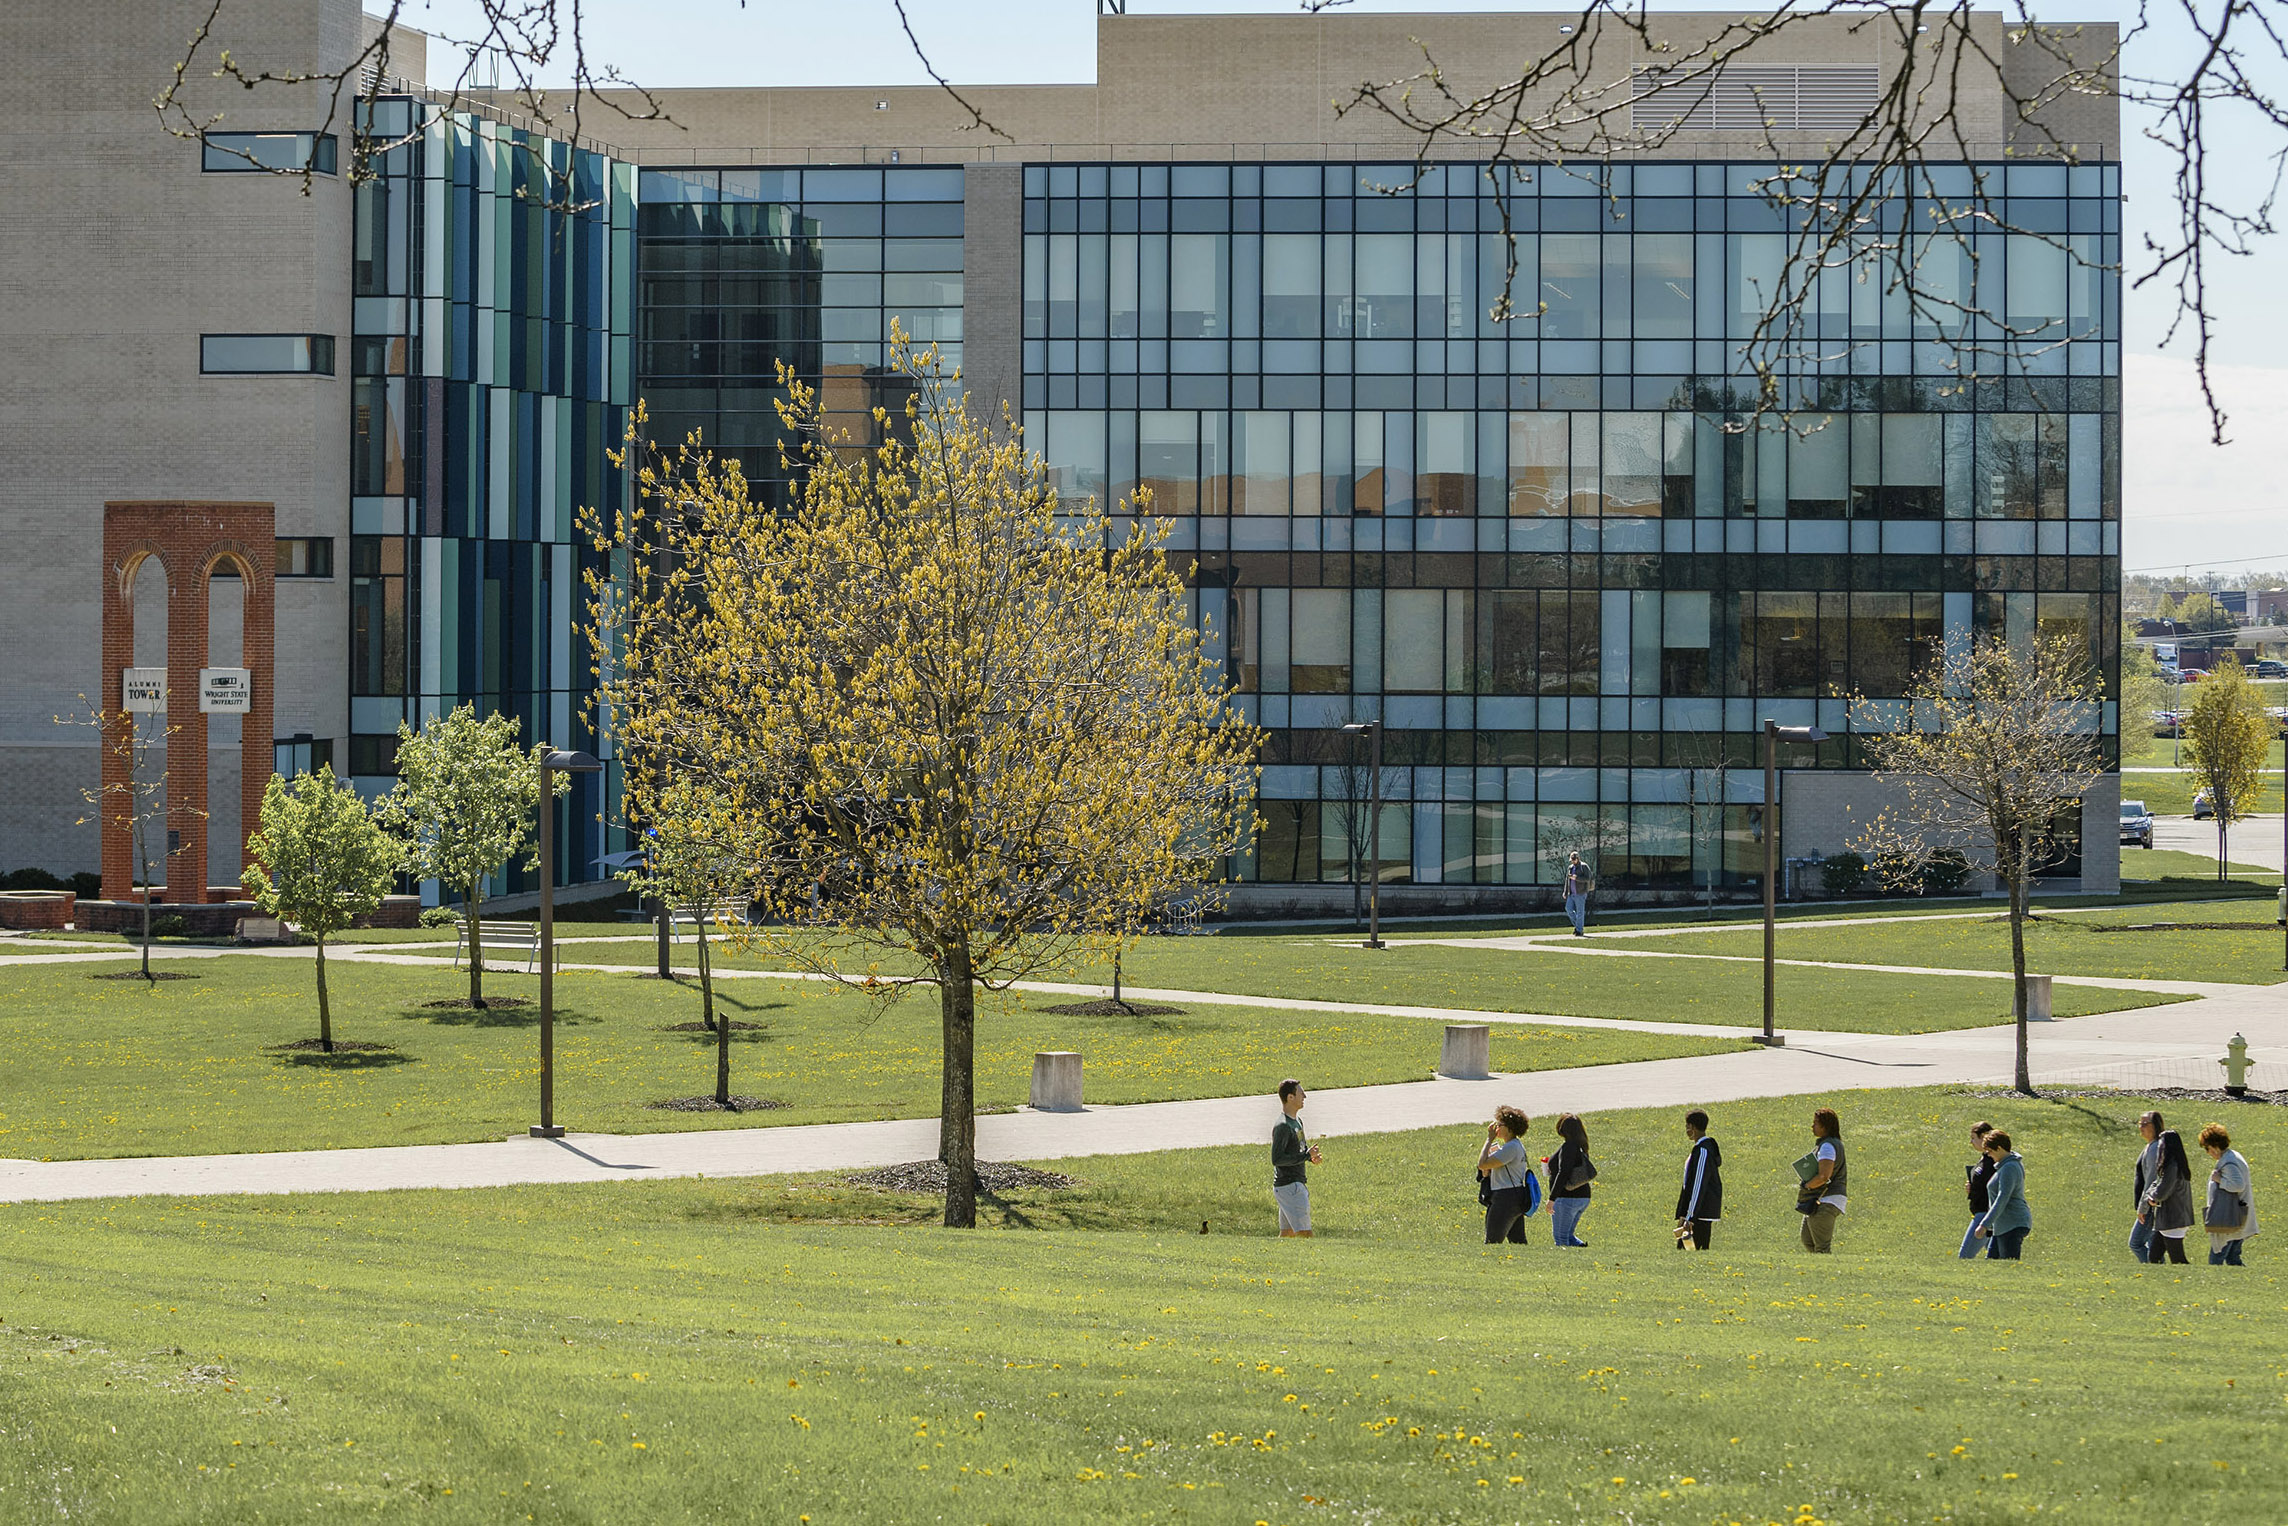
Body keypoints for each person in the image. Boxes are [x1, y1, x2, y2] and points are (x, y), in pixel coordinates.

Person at [2200, 1123, 2258, 1266]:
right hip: (2238, 1217)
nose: (2208, 1152)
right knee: (2233, 1259)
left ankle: (2215, 1280)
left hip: (2229, 1218)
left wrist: (2219, 1179)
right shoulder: (2234, 1156)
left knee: (2216, 1259)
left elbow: (2238, 1185)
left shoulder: (2229, 1162)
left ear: (2215, 1146)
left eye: (2207, 1148)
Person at [1271, 1078, 1322, 1238]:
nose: (1304, 1096)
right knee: (1306, 1234)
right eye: (1301, 1093)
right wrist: (1306, 1156)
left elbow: (1299, 1150)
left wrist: (1310, 1157)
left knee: (1287, 1234)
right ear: (1290, 1097)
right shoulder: (1283, 1126)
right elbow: (1277, 1159)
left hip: (1292, 1186)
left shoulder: (1297, 1122)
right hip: (1290, 1187)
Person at [2138, 1121, 2195, 1265]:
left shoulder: (2172, 1167)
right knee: (2154, 1256)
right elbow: (2156, 1184)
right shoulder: (2175, 1165)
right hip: (2170, 1220)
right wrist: (2151, 1195)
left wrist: (2152, 1198)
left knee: (2178, 1259)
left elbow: (2162, 1190)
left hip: (2173, 1219)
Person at [1477, 1106, 1534, 1245]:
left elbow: (1482, 1164)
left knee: (1492, 1242)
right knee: (1518, 1243)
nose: (1496, 1128)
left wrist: (1489, 1139)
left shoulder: (1511, 1147)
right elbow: (1488, 1167)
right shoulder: (1514, 1145)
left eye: (1499, 1124)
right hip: (1515, 1196)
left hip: (1505, 1199)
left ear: (1509, 1128)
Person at [1970, 1129, 2031, 1259]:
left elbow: (2002, 1198)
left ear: (1999, 1148)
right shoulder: (2004, 1166)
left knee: (2009, 1266)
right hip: (2002, 1226)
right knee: (1993, 1265)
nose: (1989, 1155)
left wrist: (1984, 1224)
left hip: (2012, 1224)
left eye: (1990, 1151)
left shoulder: (2010, 1168)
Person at [1797, 1107, 1848, 1253]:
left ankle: (1826, 1266)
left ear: (1825, 1126)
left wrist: (1808, 1185)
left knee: (1822, 1248)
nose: (1812, 1126)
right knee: (1808, 1240)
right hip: (1820, 1200)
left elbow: (1824, 1176)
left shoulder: (1827, 1147)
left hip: (1826, 1200)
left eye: (1816, 1123)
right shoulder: (1830, 1144)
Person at [1674, 1109, 1723, 1250]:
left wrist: (1689, 1217)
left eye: (1687, 1126)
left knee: (1689, 1251)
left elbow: (1698, 1185)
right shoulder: (1700, 1149)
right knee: (1686, 1252)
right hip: (1694, 1213)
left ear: (1692, 1127)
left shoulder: (1702, 1151)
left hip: (1698, 1216)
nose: (1686, 1130)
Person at [1546, 1113, 1595, 1247]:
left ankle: (1564, 1259)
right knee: (1569, 1236)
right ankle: (1581, 1249)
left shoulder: (1569, 1147)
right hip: (1583, 1197)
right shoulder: (1581, 1146)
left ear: (1562, 1128)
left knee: (1561, 1238)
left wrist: (1552, 1199)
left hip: (1566, 1198)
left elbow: (1564, 1172)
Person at [2130, 1112, 2165, 1263]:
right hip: (2149, 1205)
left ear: (2155, 1126)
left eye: (2145, 1124)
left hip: (2150, 1206)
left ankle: (2154, 1269)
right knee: (2153, 1246)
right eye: (2140, 1123)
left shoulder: (2154, 1148)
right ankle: (2158, 1270)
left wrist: (2143, 1207)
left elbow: (2152, 1180)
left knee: (2136, 1243)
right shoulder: (2151, 1146)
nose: (2141, 1127)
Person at [1960, 1121, 1997, 1260]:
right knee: (1995, 1259)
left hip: (1985, 1214)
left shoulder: (1993, 1161)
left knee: (1965, 1256)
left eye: (1973, 1138)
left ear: (1984, 1137)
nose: (1971, 1142)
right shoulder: (1984, 1159)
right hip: (1980, 1212)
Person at [1562, 851, 1591, 936]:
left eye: (1574, 859)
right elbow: (1567, 880)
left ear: (1578, 858)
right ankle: (1578, 926)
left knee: (1580, 912)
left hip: (1580, 893)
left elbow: (1587, 878)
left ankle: (1579, 930)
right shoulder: (1570, 867)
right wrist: (1565, 892)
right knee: (1568, 909)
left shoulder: (1584, 866)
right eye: (1572, 860)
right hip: (1571, 893)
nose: (1573, 861)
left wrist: (1576, 878)